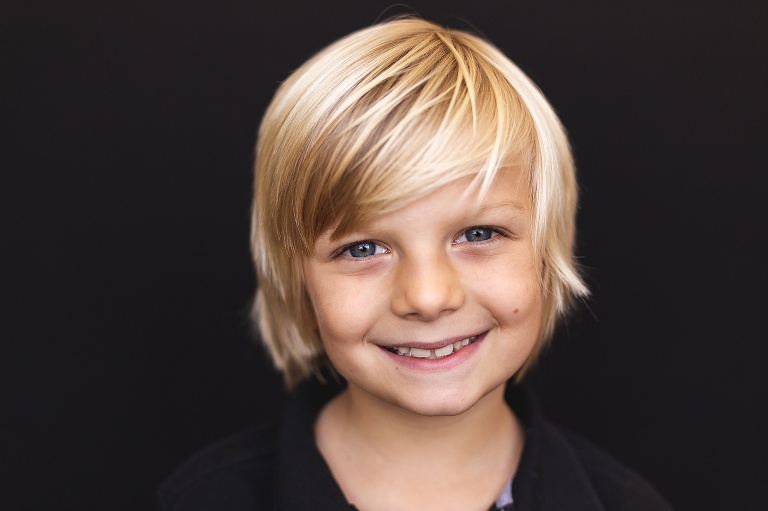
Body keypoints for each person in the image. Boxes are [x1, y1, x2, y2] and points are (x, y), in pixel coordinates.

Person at [157, 18, 672, 511]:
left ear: (545, 254)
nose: (427, 297)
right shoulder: (204, 498)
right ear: (298, 281)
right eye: (362, 249)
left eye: (478, 234)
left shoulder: (625, 503)